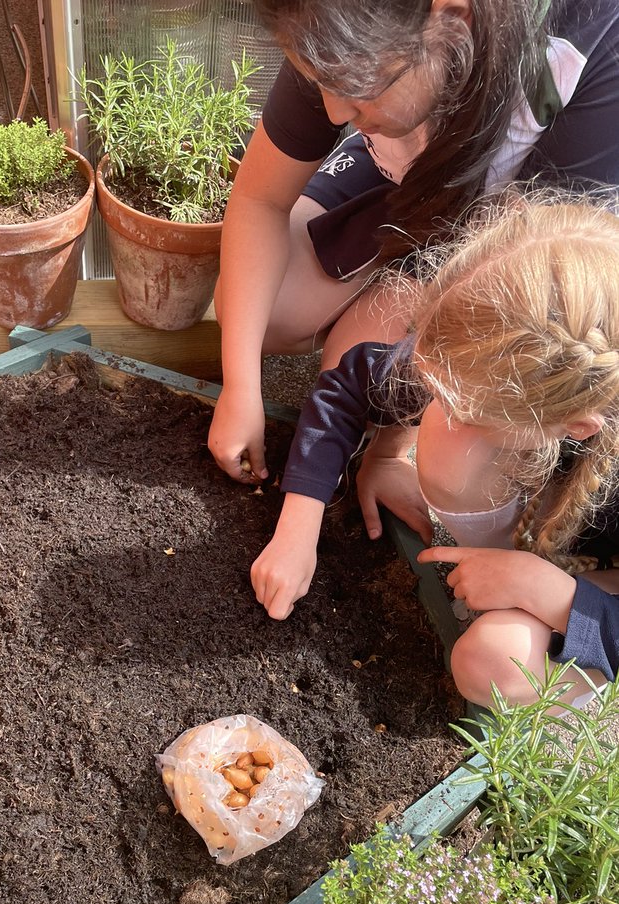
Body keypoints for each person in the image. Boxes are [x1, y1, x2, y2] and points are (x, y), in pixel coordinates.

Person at [208, 0, 619, 534]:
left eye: (358, 86)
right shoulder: (338, 29)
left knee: (397, 381)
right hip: (399, 183)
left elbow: (521, 305)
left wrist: (391, 444)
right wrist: (241, 387)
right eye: (321, 83)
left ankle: (378, 325)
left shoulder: (584, 44)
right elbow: (260, 199)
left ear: (454, 18)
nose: (332, 111)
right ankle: (370, 297)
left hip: (507, 241)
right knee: (268, 311)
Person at [250, 197, 619, 706]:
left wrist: (548, 592)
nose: (439, 410)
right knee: (449, 440)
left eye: (467, 410)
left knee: (493, 663)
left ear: (574, 426)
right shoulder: (485, 355)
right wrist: (300, 524)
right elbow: (348, 387)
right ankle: (505, 563)